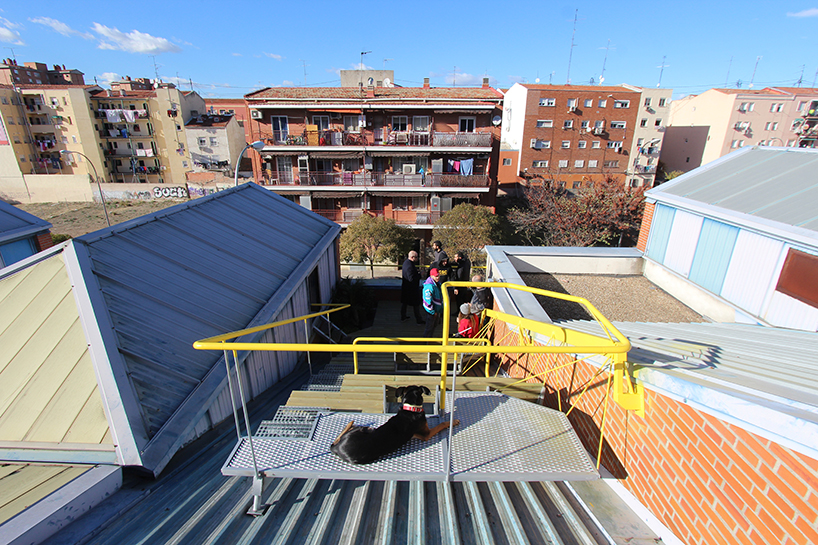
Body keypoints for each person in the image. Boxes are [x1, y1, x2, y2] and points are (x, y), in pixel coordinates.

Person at [400, 251, 423, 324]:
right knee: (416, 304)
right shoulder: (410, 265)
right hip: (411, 288)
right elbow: (411, 278)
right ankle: (418, 320)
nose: (417, 259)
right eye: (416, 257)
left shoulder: (406, 263)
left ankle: (403, 316)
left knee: (405, 303)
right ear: (412, 257)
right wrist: (420, 275)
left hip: (406, 287)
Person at [422, 268, 443, 337]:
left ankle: (429, 341)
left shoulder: (437, 284)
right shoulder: (429, 286)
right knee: (429, 328)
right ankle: (425, 343)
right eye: (436, 276)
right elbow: (427, 302)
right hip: (432, 312)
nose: (438, 277)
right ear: (431, 276)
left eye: (438, 275)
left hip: (436, 310)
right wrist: (433, 312)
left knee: (433, 327)